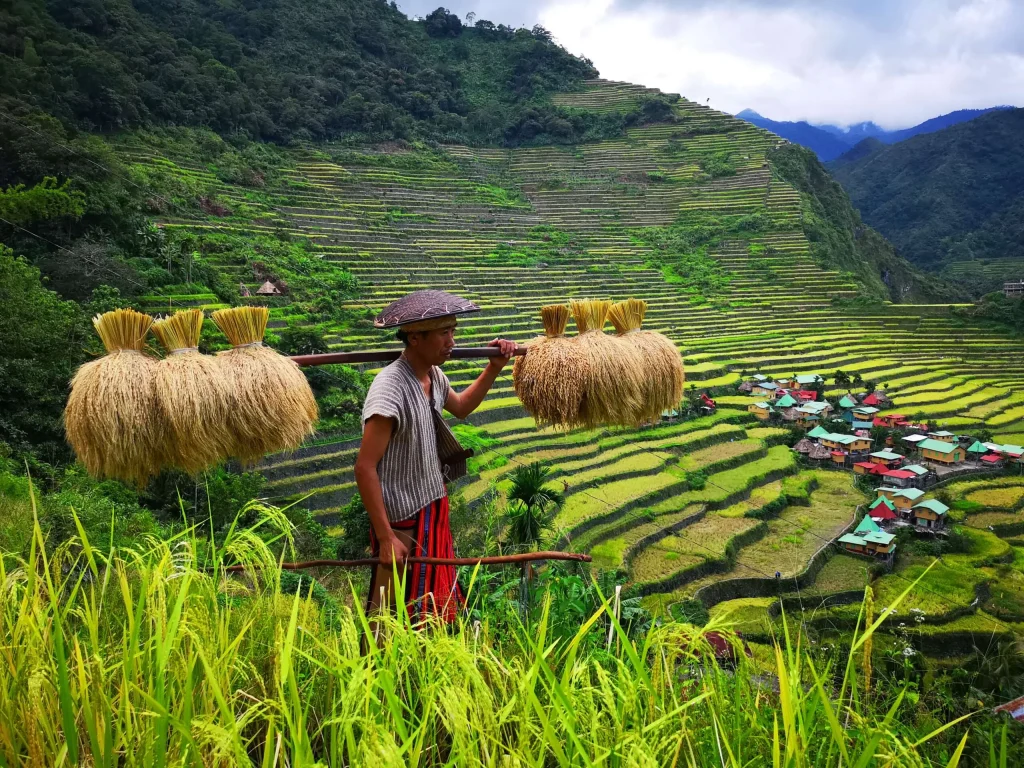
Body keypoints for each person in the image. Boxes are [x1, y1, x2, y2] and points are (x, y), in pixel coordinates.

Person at [354, 290, 516, 623]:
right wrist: (385, 538)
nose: (452, 341)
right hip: (401, 519)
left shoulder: (432, 375)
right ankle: (376, 674)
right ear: (415, 337)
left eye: (453, 331)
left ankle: (423, 672)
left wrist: (494, 367)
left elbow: (460, 407)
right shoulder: (390, 387)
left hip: (431, 506)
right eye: (445, 332)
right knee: (388, 618)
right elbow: (365, 466)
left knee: (430, 612)